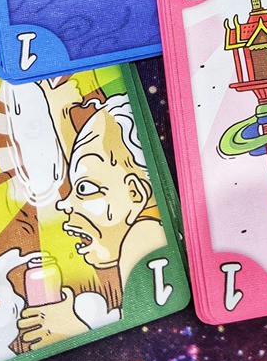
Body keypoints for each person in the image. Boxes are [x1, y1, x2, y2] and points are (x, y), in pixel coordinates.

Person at [17, 94, 166, 348]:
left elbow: (148, 338)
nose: (64, 204)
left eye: (84, 188)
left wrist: (71, 329)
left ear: (135, 193)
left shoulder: (144, 232)